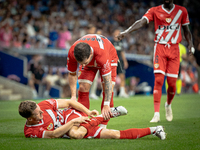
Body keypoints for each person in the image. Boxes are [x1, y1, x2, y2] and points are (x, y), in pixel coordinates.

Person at [117, 0, 194, 122]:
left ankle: (168, 105)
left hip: (174, 49)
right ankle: (156, 114)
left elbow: (186, 30)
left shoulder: (181, 11)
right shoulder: (154, 10)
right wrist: (126, 32)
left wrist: (190, 44)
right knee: (158, 80)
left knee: (172, 84)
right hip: (160, 48)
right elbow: (141, 22)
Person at [18, 99, 166, 140]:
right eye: (38, 114)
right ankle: (154, 130)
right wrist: (73, 123)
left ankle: (107, 114)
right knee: (114, 134)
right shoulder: (30, 131)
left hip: (70, 115)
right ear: (30, 119)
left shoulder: (43, 105)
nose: (42, 112)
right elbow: (53, 134)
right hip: (70, 125)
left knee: (76, 135)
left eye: (40, 109)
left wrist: (87, 112)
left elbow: (69, 103)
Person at [67, 34, 118, 128]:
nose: (83, 64)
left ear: (90, 54)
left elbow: (108, 81)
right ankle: (83, 122)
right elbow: (72, 74)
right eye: (80, 64)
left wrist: (107, 104)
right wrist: (73, 96)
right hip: (92, 57)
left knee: (108, 91)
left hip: (110, 56)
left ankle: (103, 127)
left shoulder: (102, 55)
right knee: (82, 87)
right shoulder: (72, 52)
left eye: (85, 63)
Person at [111, 29, 129, 98]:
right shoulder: (111, 41)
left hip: (120, 61)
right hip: (113, 61)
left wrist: (125, 61)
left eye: (119, 33)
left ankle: (122, 92)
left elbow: (122, 52)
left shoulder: (121, 42)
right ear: (114, 33)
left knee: (122, 76)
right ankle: (113, 91)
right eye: (117, 32)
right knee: (112, 77)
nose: (118, 34)